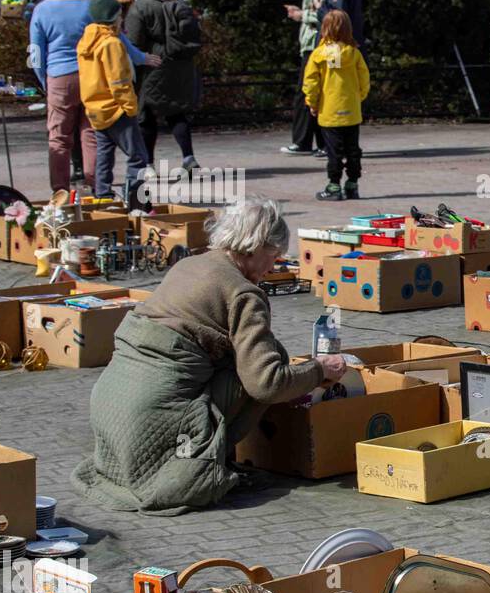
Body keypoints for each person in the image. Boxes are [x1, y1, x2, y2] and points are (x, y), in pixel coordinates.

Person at [73, 197, 348, 514]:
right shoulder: (244, 293)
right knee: (258, 378)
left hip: (111, 409)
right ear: (254, 246)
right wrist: (318, 370)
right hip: (152, 418)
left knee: (259, 359)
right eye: (273, 257)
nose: (273, 268)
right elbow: (265, 384)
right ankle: (212, 459)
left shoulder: (188, 264)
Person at [28, 0, 158, 195]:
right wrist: (141, 58)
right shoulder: (94, 2)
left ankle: (60, 193)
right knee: (91, 134)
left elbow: (36, 54)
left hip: (59, 77)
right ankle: (96, 189)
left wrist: (45, 80)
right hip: (94, 76)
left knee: (59, 138)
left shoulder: (42, 10)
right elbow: (117, 36)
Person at [125, 0, 200, 172]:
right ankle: (188, 158)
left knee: (146, 115)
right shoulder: (173, 0)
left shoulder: (139, 7)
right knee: (177, 112)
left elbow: (133, 43)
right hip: (180, 67)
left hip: (152, 68)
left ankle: (148, 164)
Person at [77, 0, 151, 203]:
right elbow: (118, 80)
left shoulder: (86, 40)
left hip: (95, 108)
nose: (122, 19)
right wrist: (130, 106)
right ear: (113, 17)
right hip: (116, 108)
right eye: (119, 15)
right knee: (138, 156)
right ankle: (137, 200)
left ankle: (103, 195)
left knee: (104, 154)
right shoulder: (112, 43)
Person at [304, 9, 369, 201]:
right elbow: (364, 79)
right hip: (351, 111)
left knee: (334, 152)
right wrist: (359, 97)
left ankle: (334, 186)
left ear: (324, 29)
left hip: (329, 112)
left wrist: (312, 103)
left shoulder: (318, 54)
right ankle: (352, 185)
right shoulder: (354, 53)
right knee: (353, 150)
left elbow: (311, 82)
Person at [281, 0, 328, 155]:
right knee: (313, 90)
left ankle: (303, 141)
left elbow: (324, 14)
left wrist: (302, 15)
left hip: (313, 41)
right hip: (310, 40)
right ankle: (320, 142)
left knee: (306, 91)